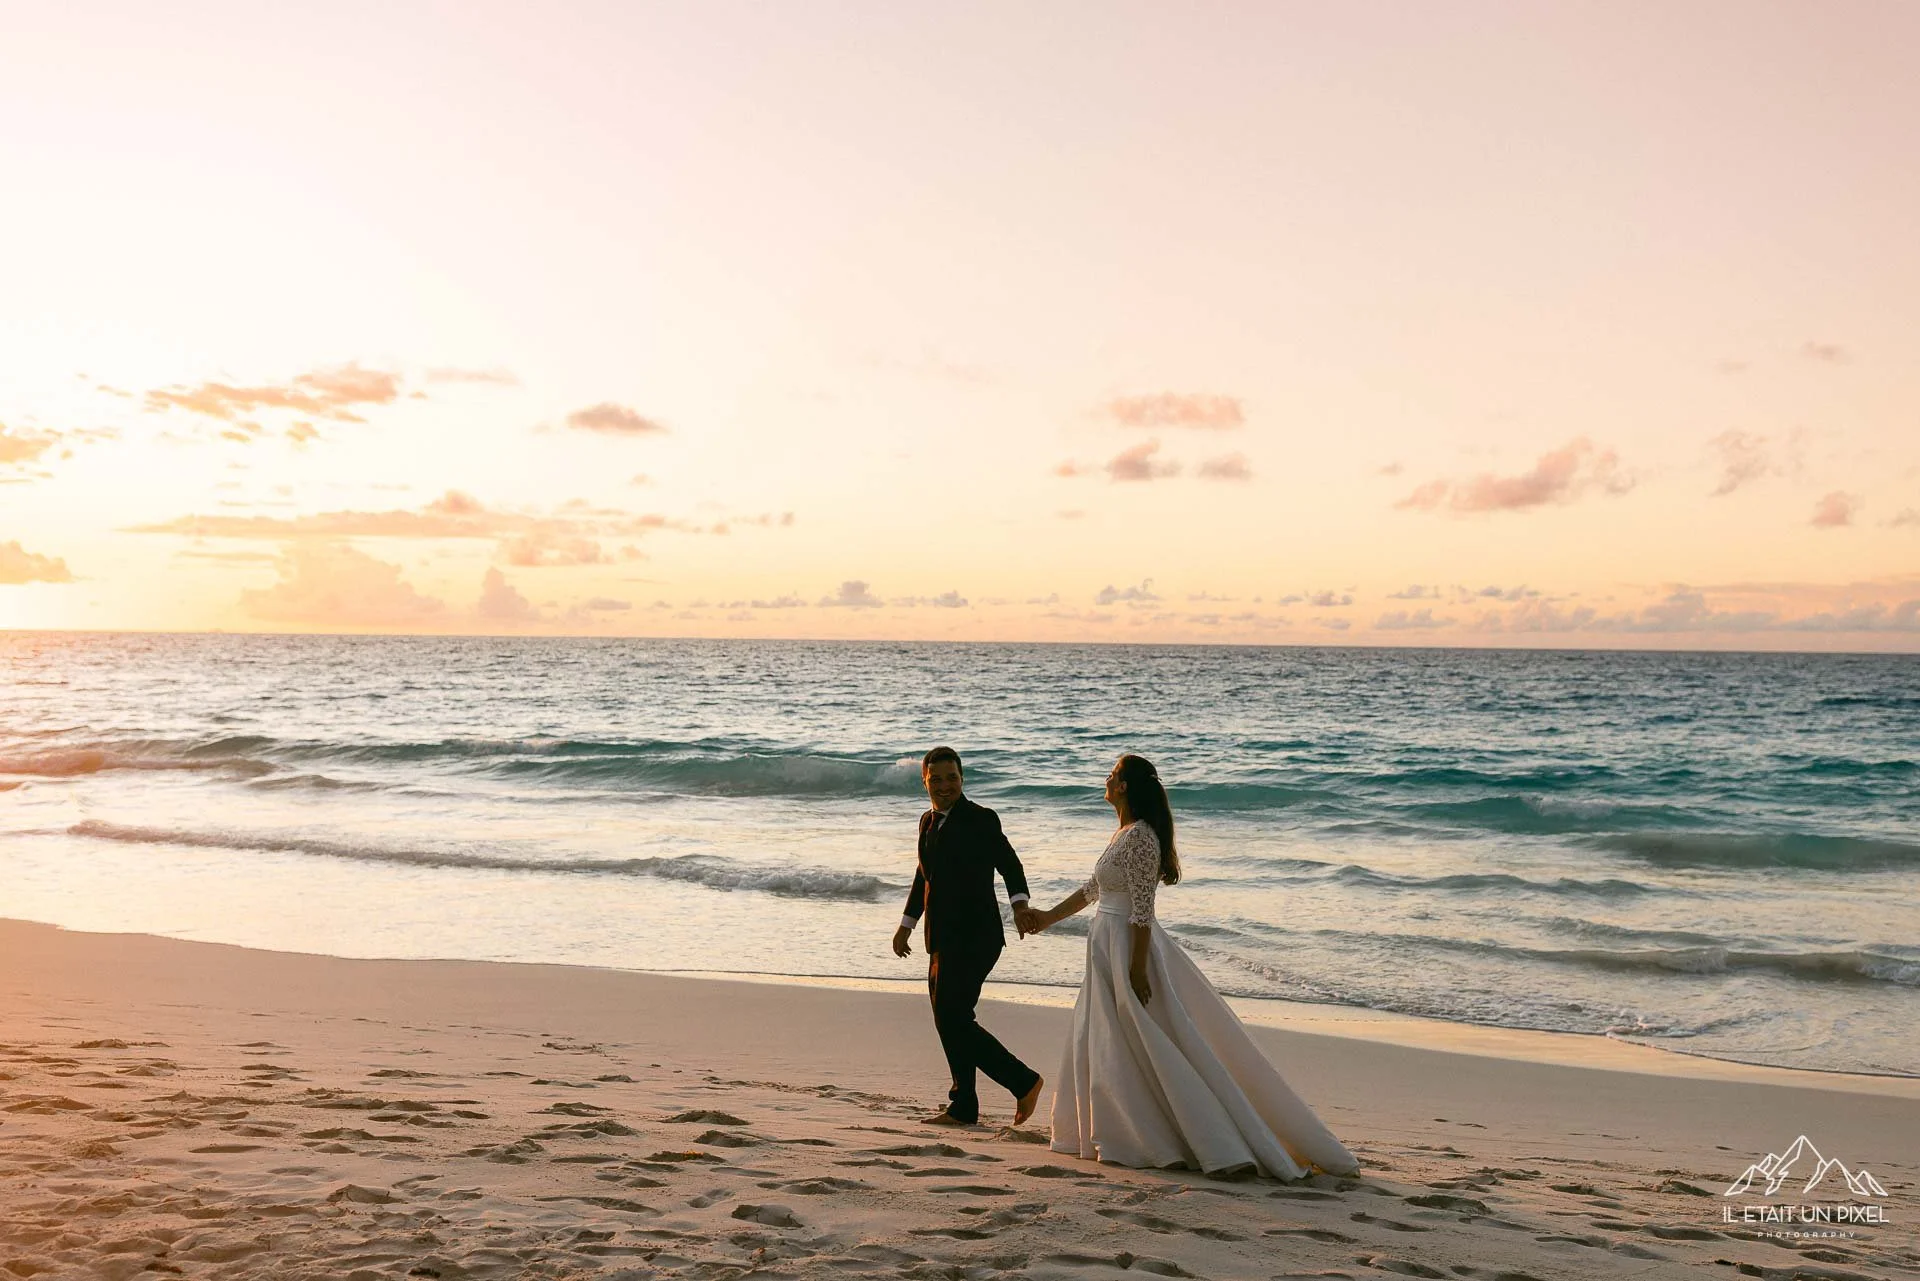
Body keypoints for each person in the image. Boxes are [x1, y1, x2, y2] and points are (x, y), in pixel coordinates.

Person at [1027, 753, 1359, 1178]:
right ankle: (1119, 1129)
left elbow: (1143, 909)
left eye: (1112, 775)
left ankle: (1203, 1138)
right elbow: (1093, 890)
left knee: (1150, 1039)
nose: (1106, 780)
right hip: (1106, 944)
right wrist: (1045, 919)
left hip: (1127, 945)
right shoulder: (1123, 833)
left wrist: (1138, 966)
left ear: (1125, 786)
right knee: (1109, 1040)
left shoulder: (1142, 837)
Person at [892, 745, 1046, 1127]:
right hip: (941, 936)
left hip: (977, 936)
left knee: (953, 1017)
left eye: (953, 778)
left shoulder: (981, 819)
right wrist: (907, 924)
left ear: (963, 779)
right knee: (948, 1018)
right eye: (937, 779)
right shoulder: (927, 822)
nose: (945, 786)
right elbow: (922, 876)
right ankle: (964, 1105)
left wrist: (1020, 906)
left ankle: (1023, 1081)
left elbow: (1010, 864)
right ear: (924, 780)